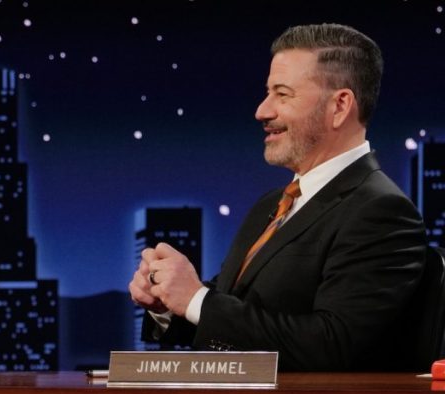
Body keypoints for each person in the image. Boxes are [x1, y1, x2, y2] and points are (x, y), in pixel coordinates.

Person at [129, 24, 427, 371]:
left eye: (282, 95)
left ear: (340, 106)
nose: (262, 111)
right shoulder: (271, 205)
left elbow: (333, 346)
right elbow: (233, 317)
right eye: (267, 93)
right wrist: (168, 303)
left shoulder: (382, 212)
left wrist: (196, 299)